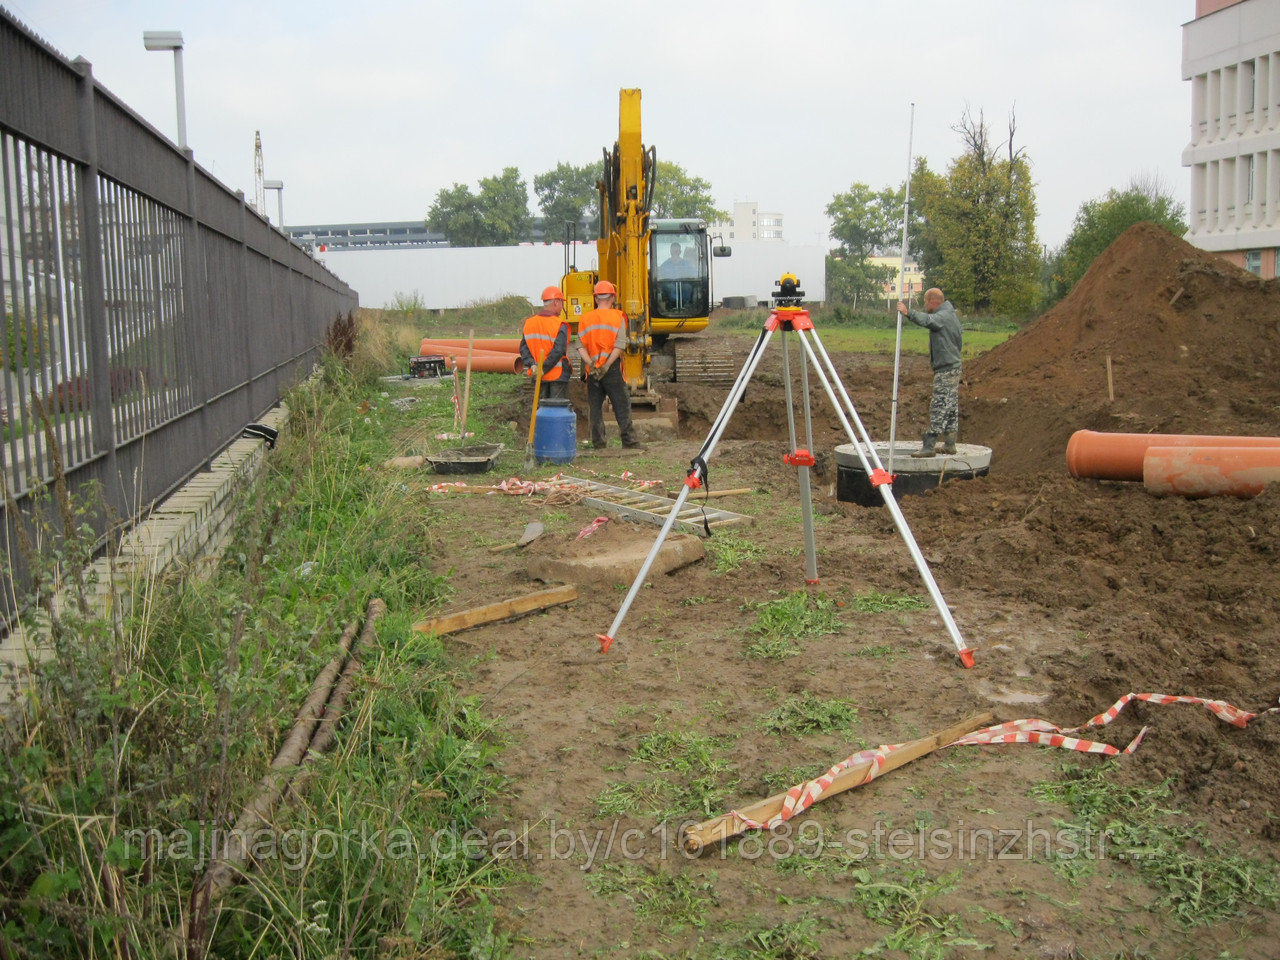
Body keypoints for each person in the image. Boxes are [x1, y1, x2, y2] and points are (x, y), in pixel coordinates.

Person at [575, 280, 642, 450]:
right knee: (621, 405)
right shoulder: (618, 317)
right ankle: (629, 442)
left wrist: (592, 363)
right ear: (612, 297)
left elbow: (579, 346)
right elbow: (620, 345)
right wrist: (606, 365)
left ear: (596, 298)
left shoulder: (585, 319)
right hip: (611, 369)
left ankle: (599, 443)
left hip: (593, 371)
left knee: (595, 409)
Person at [897, 287, 962, 456]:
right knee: (951, 407)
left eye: (925, 301)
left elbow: (928, 320)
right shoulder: (951, 315)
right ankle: (950, 444)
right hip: (953, 367)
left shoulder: (943, 316)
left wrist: (907, 312)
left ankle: (929, 446)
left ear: (933, 301)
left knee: (939, 406)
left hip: (946, 369)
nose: (925, 305)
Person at [519, 285, 572, 400]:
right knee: (556, 411)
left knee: (541, 410)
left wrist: (533, 365)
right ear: (556, 303)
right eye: (562, 303)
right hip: (557, 376)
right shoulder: (559, 324)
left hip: (537, 376)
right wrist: (544, 369)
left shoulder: (529, 323)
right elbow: (558, 350)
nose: (562, 307)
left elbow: (524, 349)